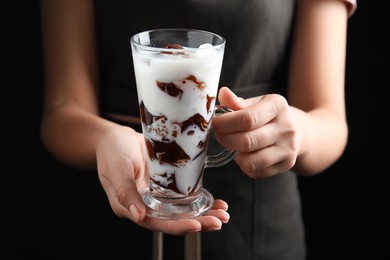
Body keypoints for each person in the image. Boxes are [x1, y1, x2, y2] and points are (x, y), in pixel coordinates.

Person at [39, 0, 357, 259]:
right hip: (106, 219)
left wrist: (295, 131)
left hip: (258, 231)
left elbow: (329, 121)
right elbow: (62, 111)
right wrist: (105, 139)